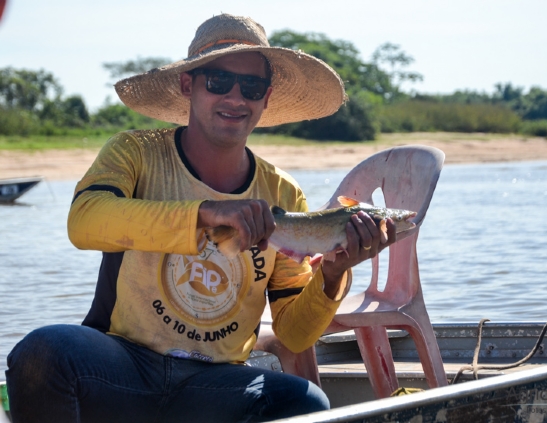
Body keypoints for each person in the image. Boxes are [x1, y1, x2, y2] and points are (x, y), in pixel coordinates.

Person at [5, 14, 397, 422]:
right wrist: (207, 212)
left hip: (215, 383)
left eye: (251, 87)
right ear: (187, 85)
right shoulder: (135, 154)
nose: (235, 98)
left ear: (265, 99)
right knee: (42, 353)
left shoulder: (282, 193)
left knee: (305, 403)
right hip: (123, 367)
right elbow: (84, 222)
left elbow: (293, 334)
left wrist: (333, 275)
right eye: (218, 82)